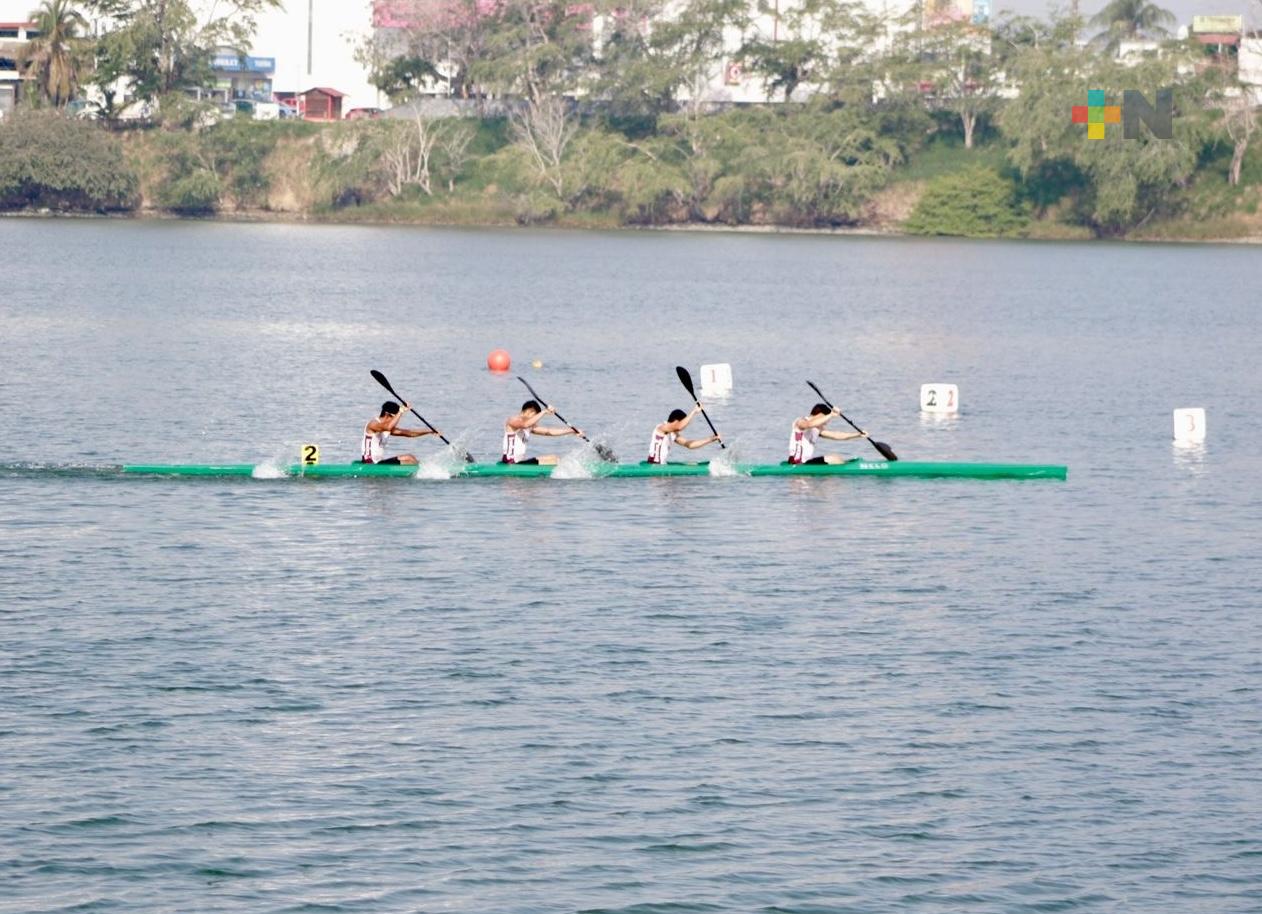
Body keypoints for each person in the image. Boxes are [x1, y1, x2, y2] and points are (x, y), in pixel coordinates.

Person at [359, 401, 440, 465]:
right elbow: (388, 427)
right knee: (410, 463)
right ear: (387, 414)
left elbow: (409, 433)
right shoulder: (373, 424)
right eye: (395, 417)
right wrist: (400, 412)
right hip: (370, 462)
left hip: (379, 462)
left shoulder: (386, 427)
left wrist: (429, 431)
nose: (396, 421)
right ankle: (424, 470)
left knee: (410, 457)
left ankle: (429, 467)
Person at [501, 400, 580, 465]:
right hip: (510, 462)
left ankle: (575, 466)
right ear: (528, 412)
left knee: (554, 457)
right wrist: (544, 412)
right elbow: (525, 424)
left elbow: (548, 431)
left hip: (520, 462)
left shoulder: (528, 427)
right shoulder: (512, 420)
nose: (536, 420)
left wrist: (572, 431)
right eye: (535, 416)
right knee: (554, 461)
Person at [788, 404, 868, 464]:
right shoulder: (800, 422)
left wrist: (858, 434)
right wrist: (830, 415)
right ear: (820, 415)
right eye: (825, 420)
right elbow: (808, 425)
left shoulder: (816, 429)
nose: (825, 423)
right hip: (797, 462)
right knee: (834, 459)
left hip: (807, 463)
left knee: (836, 458)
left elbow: (836, 435)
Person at [647, 405, 721, 464]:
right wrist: (694, 411)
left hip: (660, 465)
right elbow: (679, 427)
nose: (685, 427)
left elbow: (689, 445)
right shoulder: (662, 427)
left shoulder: (672, 433)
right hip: (655, 465)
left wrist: (711, 439)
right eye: (683, 422)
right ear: (676, 421)